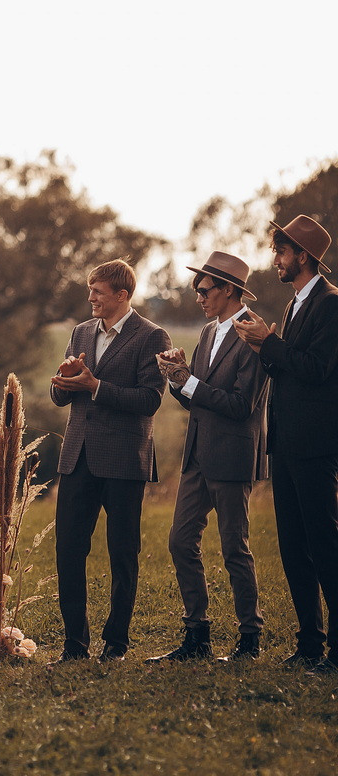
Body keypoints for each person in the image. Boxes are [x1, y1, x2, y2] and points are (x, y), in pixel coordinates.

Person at [146, 252, 268, 663]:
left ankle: (250, 639)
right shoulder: (206, 333)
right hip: (197, 456)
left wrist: (189, 381)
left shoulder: (252, 333)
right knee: (180, 541)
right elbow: (194, 400)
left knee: (235, 549)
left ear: (229, 289)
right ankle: (197, 637)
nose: (197, 297)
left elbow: (241, 405)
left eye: (204, 290)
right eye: (196, 290)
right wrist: (175, 377)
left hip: (233, 457)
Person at [49, 259, 171, 663]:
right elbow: (63, 397)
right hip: (77, 457)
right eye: (91, 291)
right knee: (68, 550)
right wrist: (64, 382)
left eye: (97, 292)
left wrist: (95, 385)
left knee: (123, 554)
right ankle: (74, 646)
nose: (90, 299)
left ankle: (115, 645)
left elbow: (150, 400)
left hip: (123, 460)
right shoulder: (81, 332)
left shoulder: (151, 336)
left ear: (121, 295)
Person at [234, 214, 338, 674]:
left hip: (316, 446)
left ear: (302, 256)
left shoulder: (331, 305)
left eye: (281, 251)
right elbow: (288, 369)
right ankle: (309, 645)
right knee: (294, 547)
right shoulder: (294, 306)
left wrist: (269, 343)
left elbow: (318, 369)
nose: (275, 259)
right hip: (287, 444)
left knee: (325, 545)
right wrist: (264, 346)